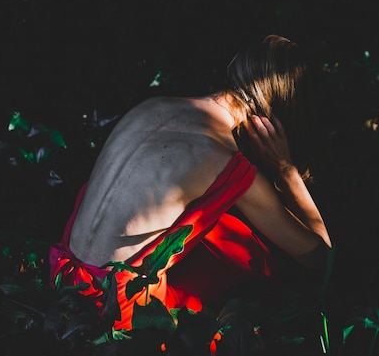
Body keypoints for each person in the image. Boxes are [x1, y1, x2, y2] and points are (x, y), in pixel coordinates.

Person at [48, 34, 333, 332]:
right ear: (279, 116)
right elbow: (321, 258)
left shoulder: (152, 106)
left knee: (222, 236)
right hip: (116, 313)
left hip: (63, 280)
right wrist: (286, 170)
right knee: (249, 271)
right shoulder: (225, 162)